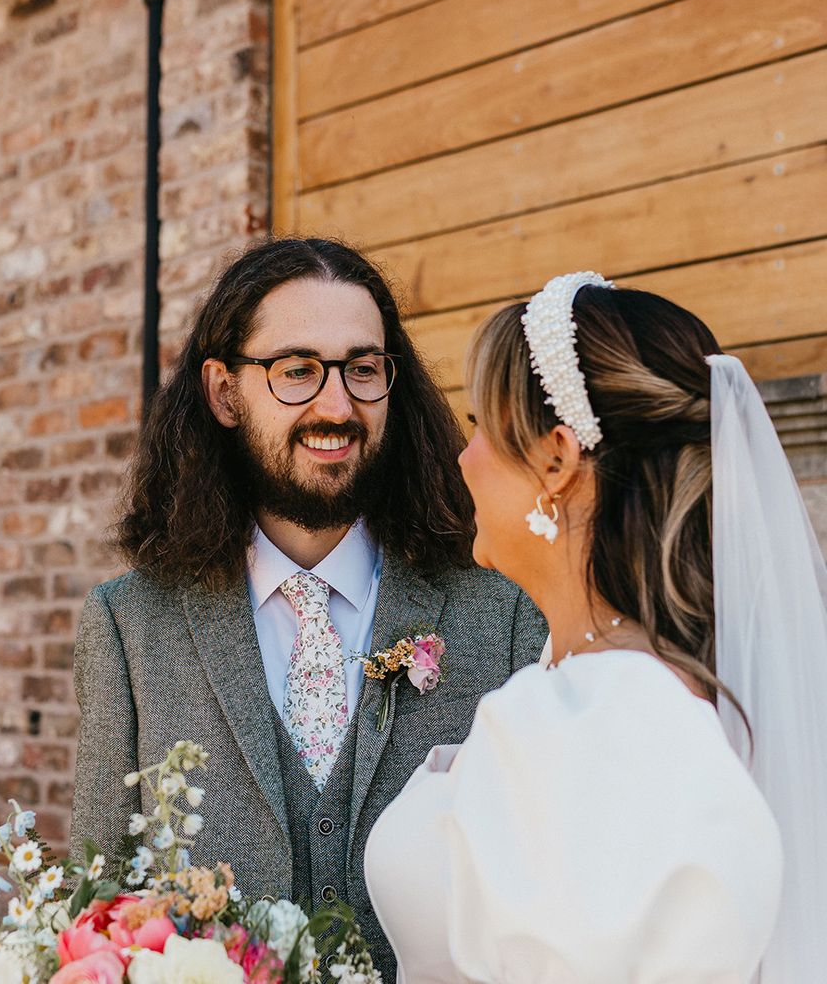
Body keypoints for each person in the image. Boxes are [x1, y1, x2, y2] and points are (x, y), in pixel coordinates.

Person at [68, 237, 546, 981]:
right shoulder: (130, 630)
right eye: (297, 371)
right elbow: (96, 916)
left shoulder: (504, 612)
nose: (336, 406)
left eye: (362, 369)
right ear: (225, 393)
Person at [365, 273, 827, 982]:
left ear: (556, 458)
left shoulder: (616, 717)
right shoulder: (580, 679)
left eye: (479, 426)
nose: (463, 459)